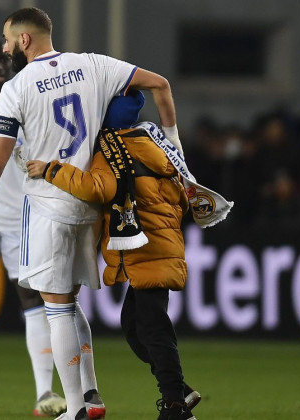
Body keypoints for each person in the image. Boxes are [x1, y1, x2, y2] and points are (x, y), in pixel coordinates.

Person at [0, 7, 179, 420]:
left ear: (24, 41)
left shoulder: (17, 88)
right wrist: (174, 145)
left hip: (48, 206)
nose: (4, 48)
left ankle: (75, 409)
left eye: (7, 40)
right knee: (70, 306)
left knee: (55, 306)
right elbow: (160, 85)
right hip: (91, 205)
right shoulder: (92, 64)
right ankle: (90, 396)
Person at [26, 90, 200, 420]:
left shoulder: (113, 148)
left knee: (151, 328)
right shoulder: (152, 141)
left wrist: (51, 170)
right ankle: (179, 390)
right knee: (135, 326)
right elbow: (181, 197)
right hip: (163, 243)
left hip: (147, 249)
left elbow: (97, 187)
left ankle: (176, 405)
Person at [0, 37, 66, 417]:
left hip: (22, 218)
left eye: (4, 58)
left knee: (32, 300)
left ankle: (45, 393)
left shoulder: (27, 101)